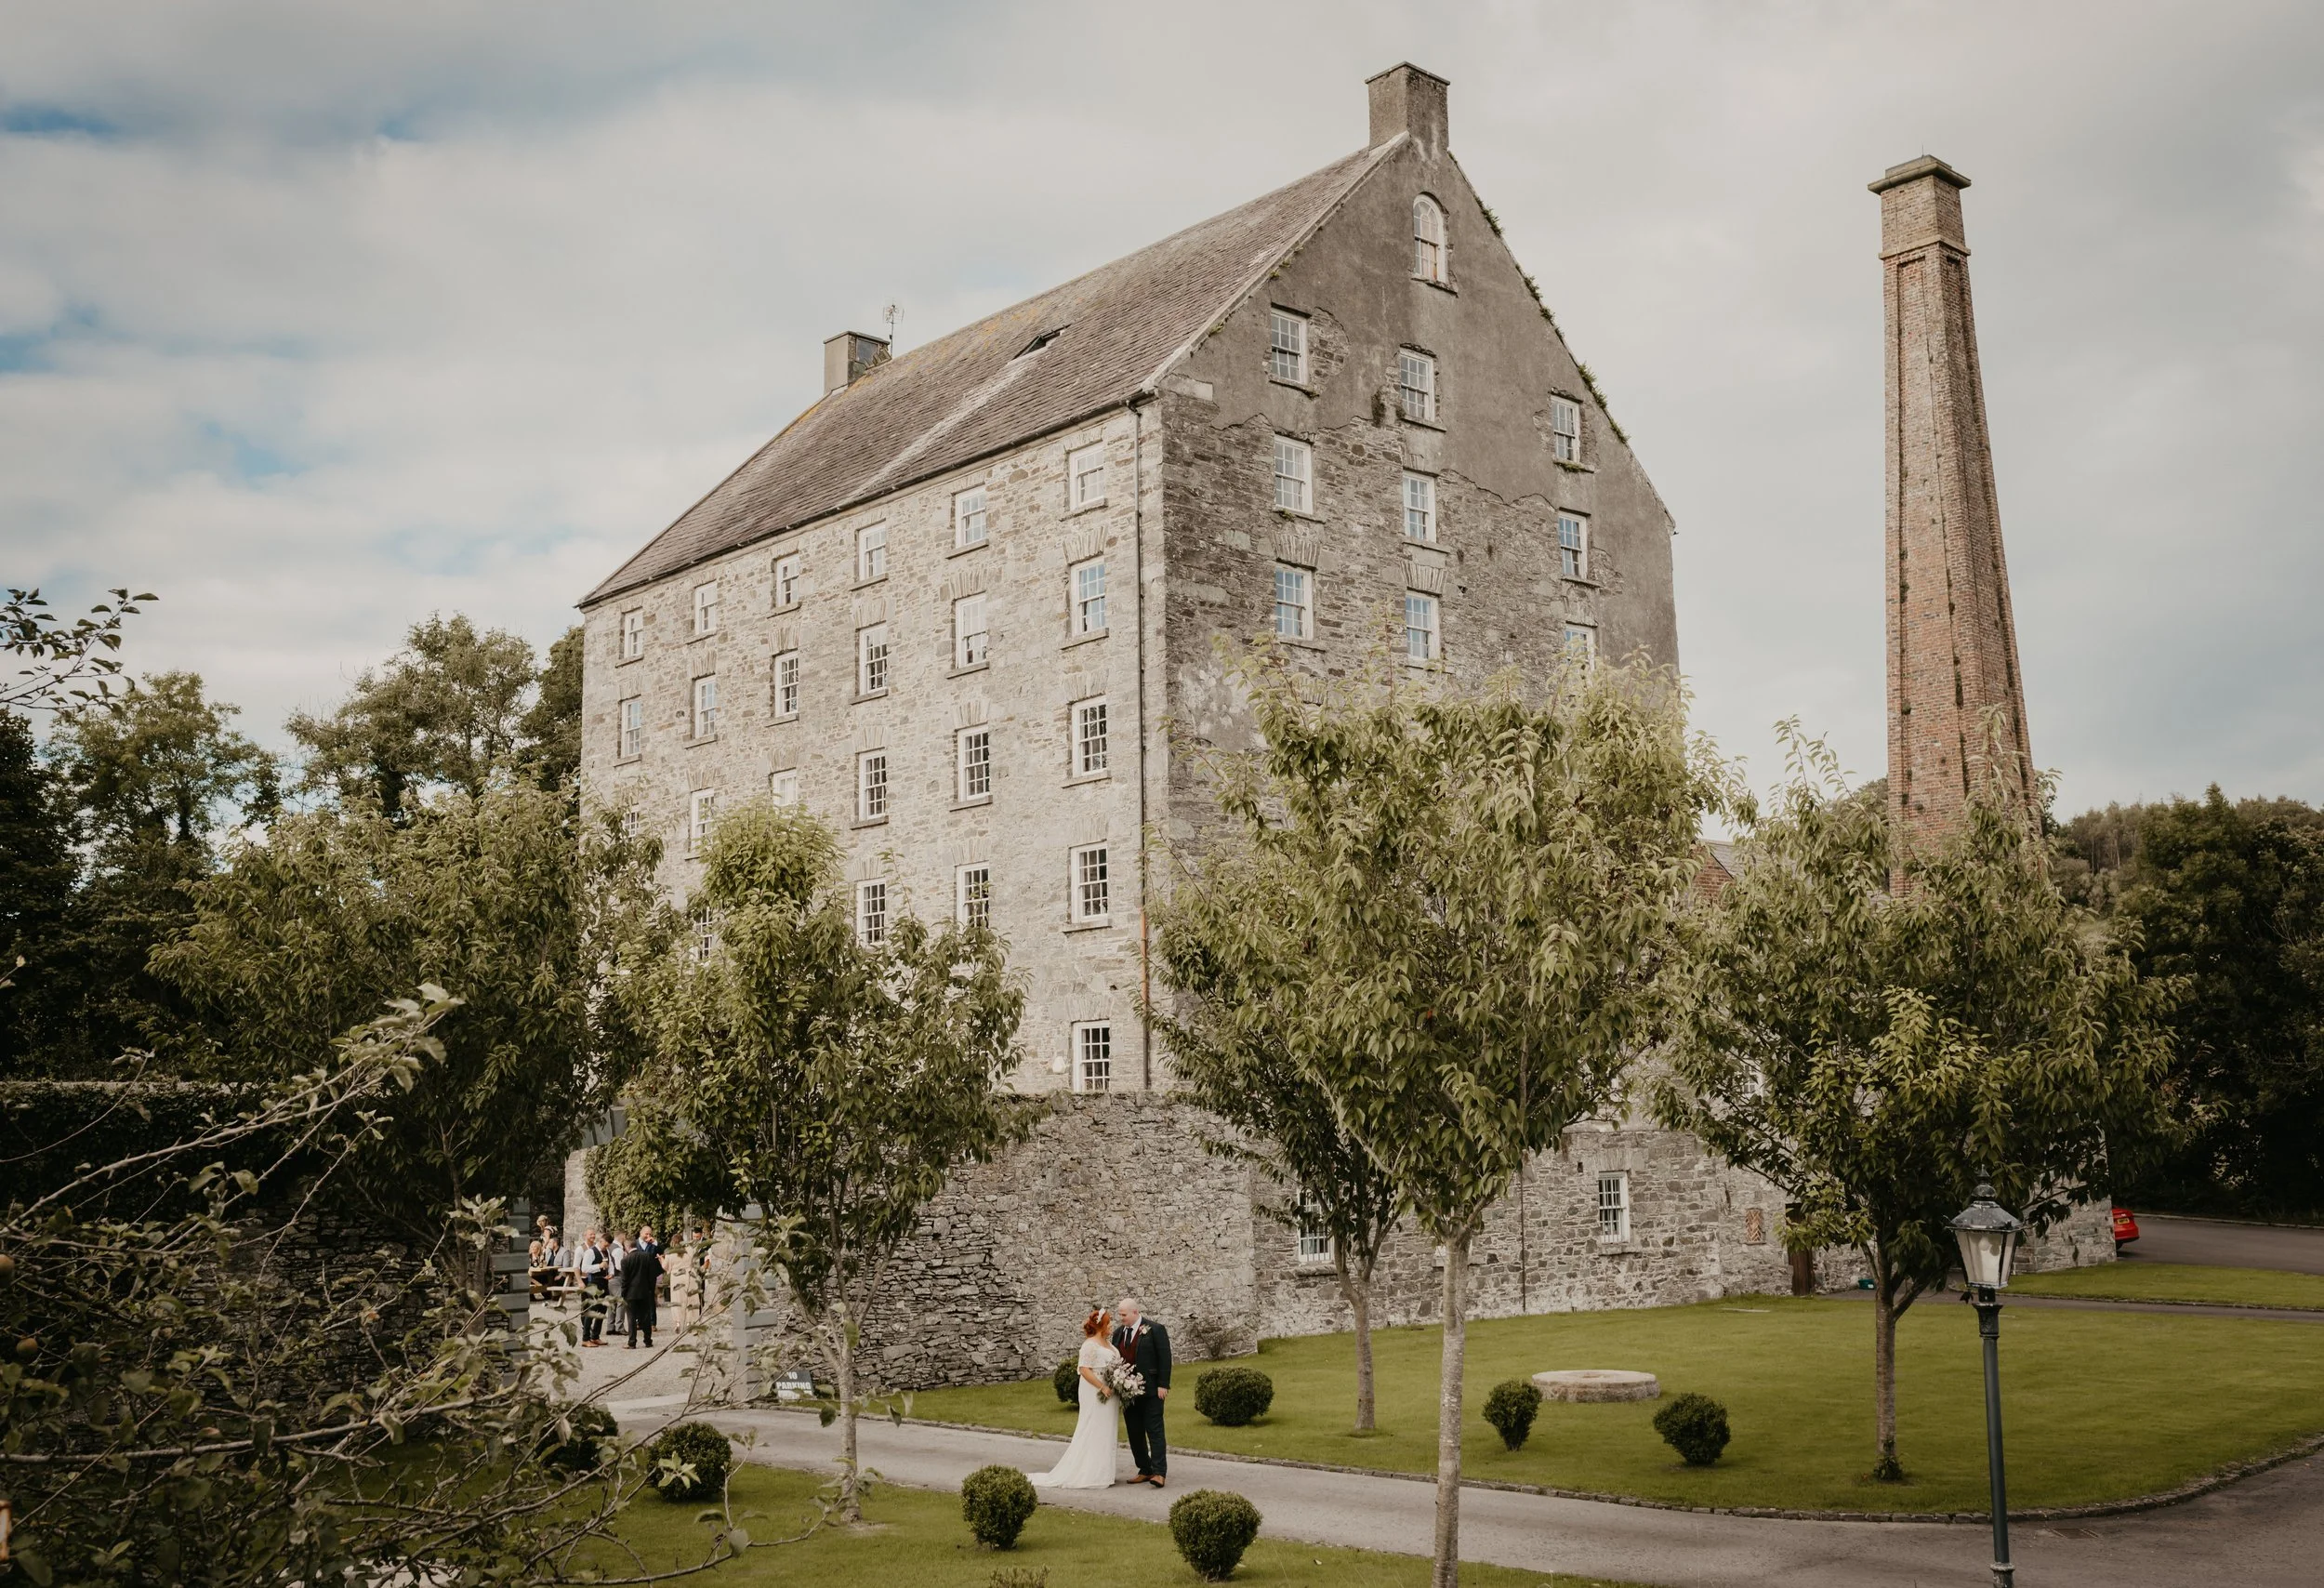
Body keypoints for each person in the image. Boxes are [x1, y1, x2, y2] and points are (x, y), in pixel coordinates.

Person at [1029, 1310, 1123, 1489]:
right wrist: (1102, 1387)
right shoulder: (1090, 1345)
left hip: (1110, 1392)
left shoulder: (1109, 1344)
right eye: (1109, 1323)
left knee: (1107, 1429)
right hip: (1096, 1391)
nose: (1111, 1326)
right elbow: (1085, 1369)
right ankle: (1089, 1472)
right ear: (1100, 1325)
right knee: (1093, 1427)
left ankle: (1103, 1471)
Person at [1112, 1296, 1172, 1488]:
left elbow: (1165, 1357)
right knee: (1134, 1432)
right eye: (1120, 1315)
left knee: (1154, 1430)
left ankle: (1159, 1472)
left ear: (1135, 1312)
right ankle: (1144, 1469)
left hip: (1152, 1390)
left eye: (1124, 1315)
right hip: (1128, 1392)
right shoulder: (1118, 1333)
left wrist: (1164, 1384)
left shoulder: (1155, 1329)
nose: (1121, 1318)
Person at [621, 1229, 665, 1348]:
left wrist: (623, 1293)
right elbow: (652, 1276)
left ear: (627, 1247)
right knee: (645, 1317)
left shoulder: (625, 1260)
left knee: (631, 1318)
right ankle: (648, 1341)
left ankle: (632, 1342)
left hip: (631, 1293)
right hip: (645, 1291)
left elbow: (624, 1280)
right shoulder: (647, 1257)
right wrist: (650, 1289)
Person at [576, 1230, 609, 1346]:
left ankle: (595, 1336)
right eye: (605, 1245)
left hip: (604, 1282)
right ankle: (585, 1339)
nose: (607, 1247)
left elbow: (610, 1265)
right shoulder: (590, 1252)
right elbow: (584, 1268)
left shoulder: (606, 1252)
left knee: (603, 1309)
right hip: (593, 1283)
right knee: (592, 1309)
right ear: (601, 1241)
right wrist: (599, 1266)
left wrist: (610, 1273)